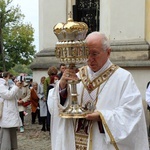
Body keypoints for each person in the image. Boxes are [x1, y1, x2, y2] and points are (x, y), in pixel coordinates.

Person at [47, 32, 149, 150]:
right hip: (75, 143)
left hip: (102, 143)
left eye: (94, 54)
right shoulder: (77, 75)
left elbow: (132, 114)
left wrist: (102, 116)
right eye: (87, 54)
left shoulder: (123, 78)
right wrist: (62, 86)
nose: (90, 59)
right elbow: (54, 106)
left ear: (108, 52)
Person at [0, 72, 22, 150]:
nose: (10, 78)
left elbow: (17, 96)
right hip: (6, 112)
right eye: (9, 77)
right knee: (6, 131)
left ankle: (12, 147)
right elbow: (8, 95)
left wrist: (19, 87)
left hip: (12, 111)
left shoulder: (9, 84)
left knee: (12, 131)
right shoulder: (1, 85)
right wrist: (15, 87)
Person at [44, 66, 58, 132]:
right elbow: (45, 89)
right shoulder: (47, 79)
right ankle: (49, 126)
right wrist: (45, 97)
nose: (53, 75)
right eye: (52, 74)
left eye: (54, 74)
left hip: (56, 96)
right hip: (49, 96)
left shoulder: (57, 78)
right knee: (49, 112)